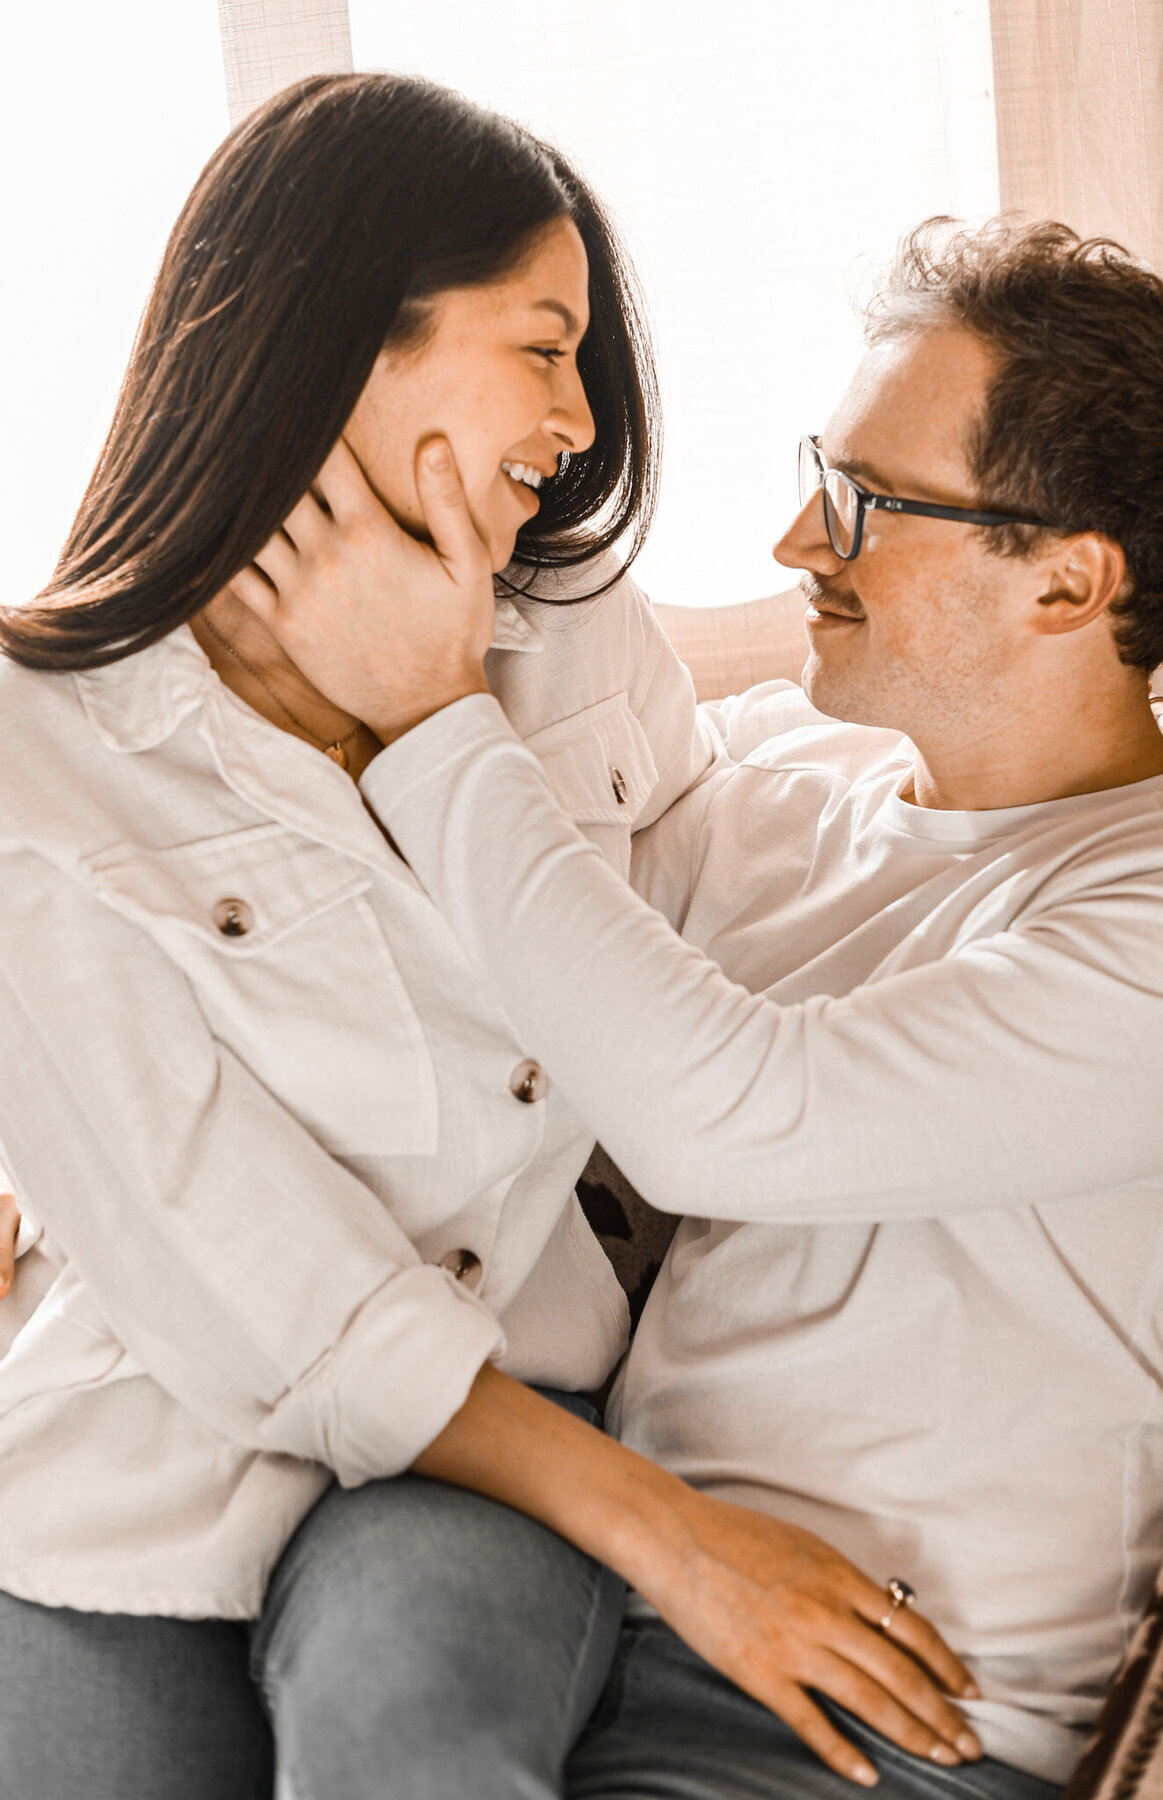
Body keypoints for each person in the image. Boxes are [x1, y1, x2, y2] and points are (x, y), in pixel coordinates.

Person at [0, 73, 981, 1800]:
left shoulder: (567, 631)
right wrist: (681, 1543)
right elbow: (237, 1266)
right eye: (541, 344)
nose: (579, 414)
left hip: (500, 1460)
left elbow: (713, 883)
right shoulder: (32, 736)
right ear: (354, 336)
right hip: (146, 1479)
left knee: (420, 1739)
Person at [240, 218, 1163, 1797]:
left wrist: (432, 714)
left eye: (863, 506)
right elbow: (447, 958)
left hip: (878, 1722)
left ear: (1069, 581)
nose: (793, 547)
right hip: (608, 1575)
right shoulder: (779, 786)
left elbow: (723, 1114)